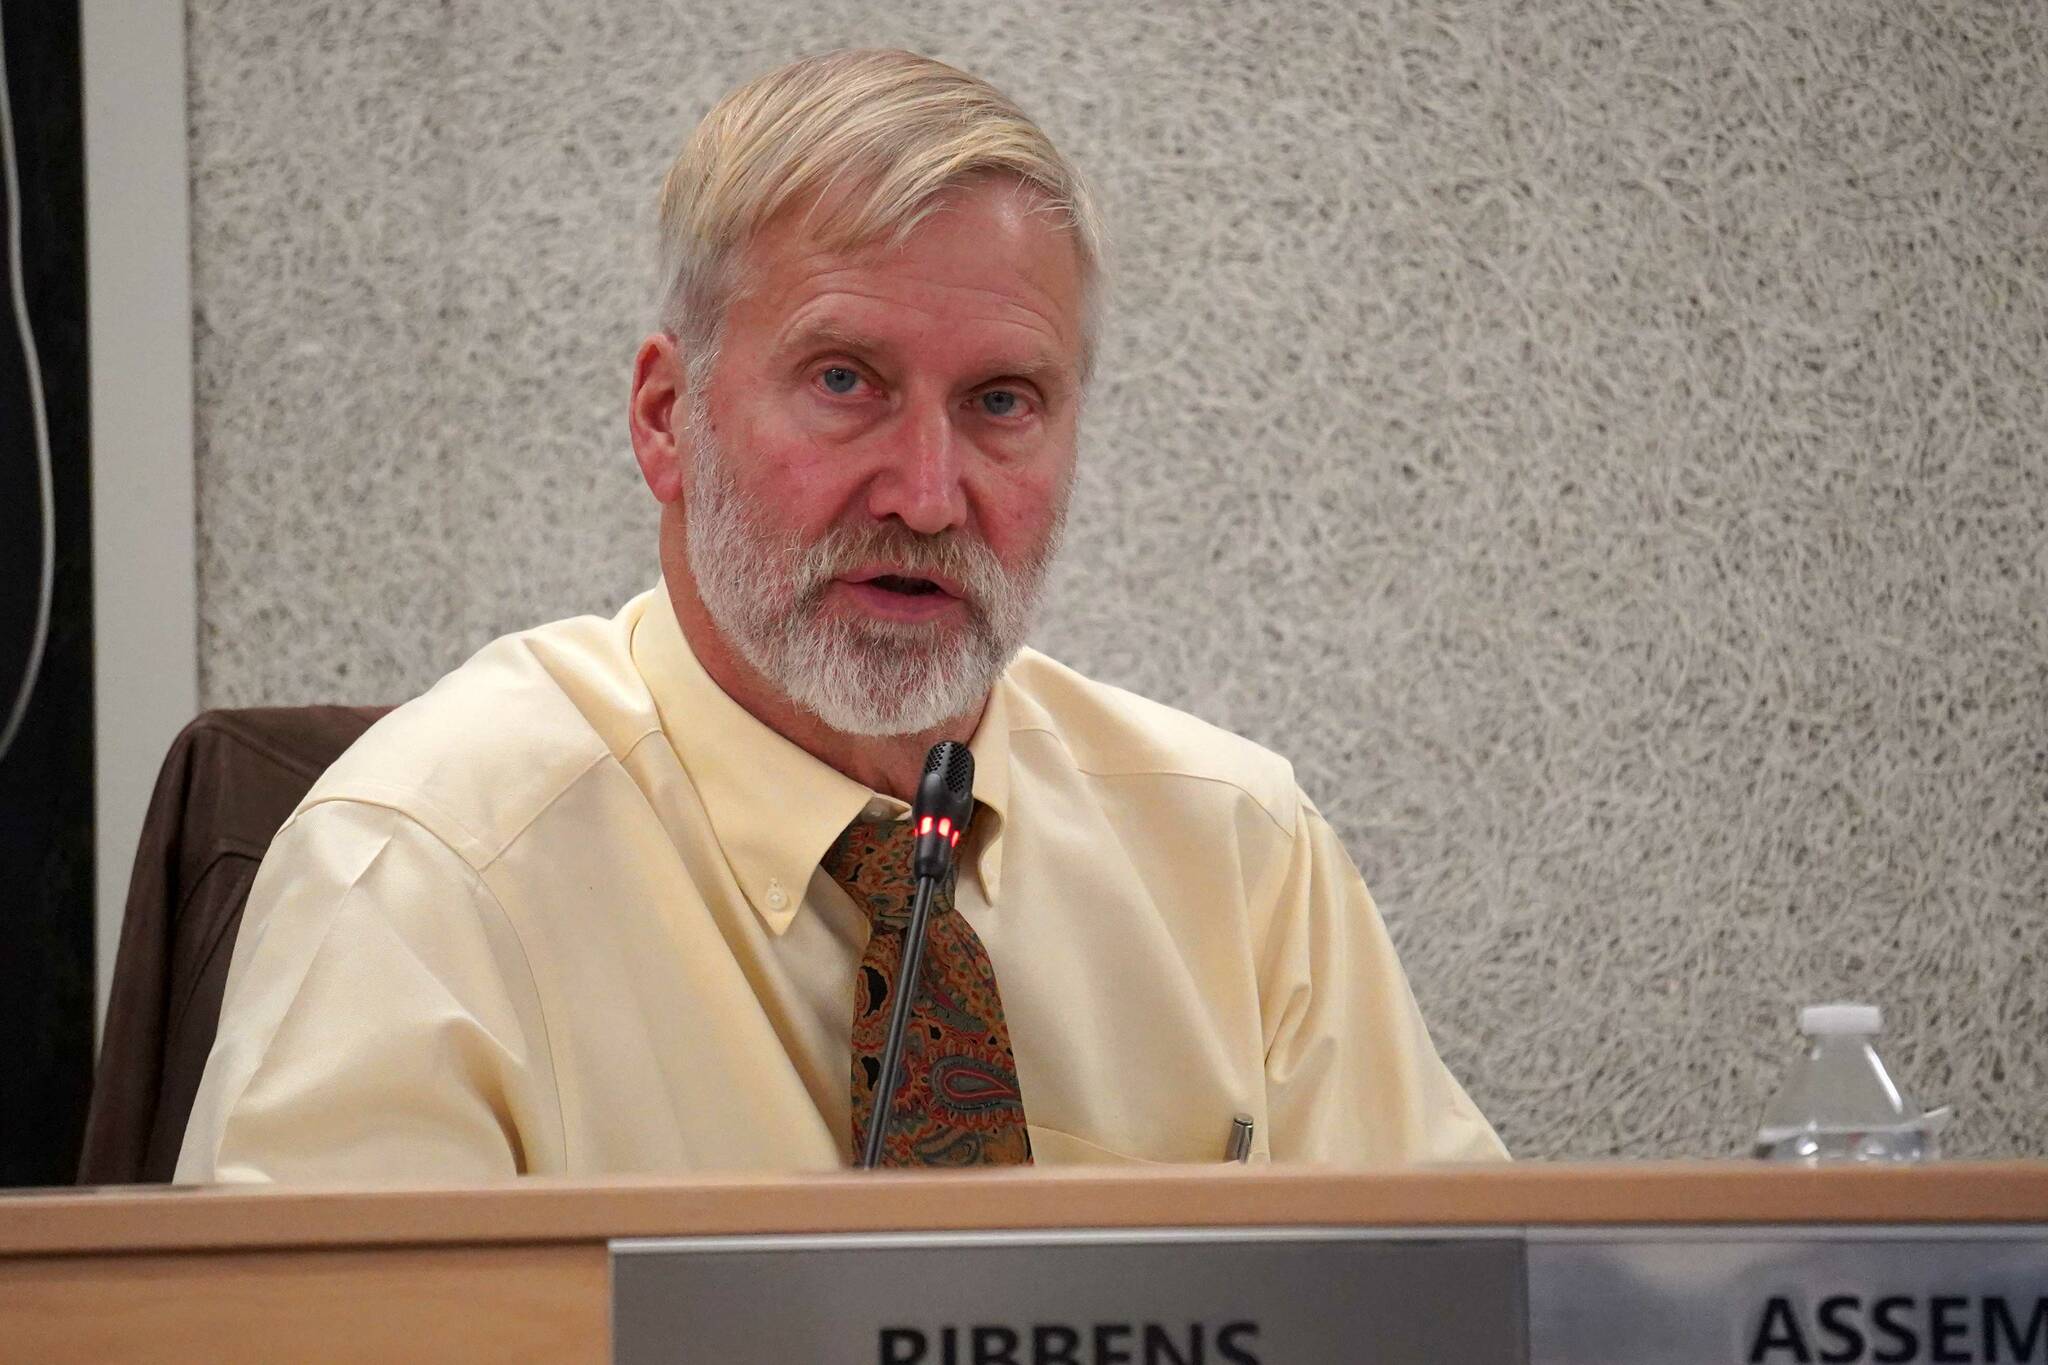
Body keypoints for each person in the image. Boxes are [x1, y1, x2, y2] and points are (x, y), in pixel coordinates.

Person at [176, 49, 1504, 1181]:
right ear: (666, 420)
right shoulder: (420, 872)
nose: (929, 497)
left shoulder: (1237, 854)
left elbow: (1471, 1312)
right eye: (843, 379)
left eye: (1001, 401)